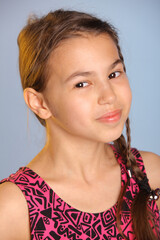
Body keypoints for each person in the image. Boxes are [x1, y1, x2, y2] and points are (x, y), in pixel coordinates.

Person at [0, 9, 159, 240]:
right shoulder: (13, 208)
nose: (109, 96)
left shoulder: (150, 174)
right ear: (40, 103)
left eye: (114, 74)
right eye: (82, 84)